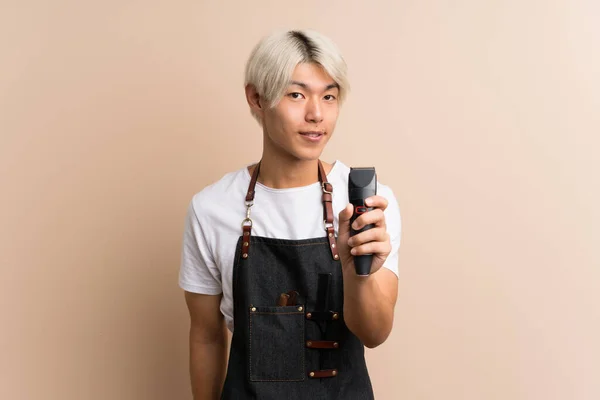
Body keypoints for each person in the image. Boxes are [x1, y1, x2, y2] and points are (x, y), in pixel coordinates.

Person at [179, 29, 402, 400]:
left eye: (329, 96)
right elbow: (205, 335)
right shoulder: (212, 208)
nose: (316, 114)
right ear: (257, 97)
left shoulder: (368, 204)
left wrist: (358, 272)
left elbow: (375, 334)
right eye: (296, 94)